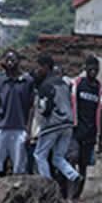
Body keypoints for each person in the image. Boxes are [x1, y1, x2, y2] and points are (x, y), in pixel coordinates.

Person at [31, 54, 80, 190]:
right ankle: (74, 175)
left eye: (39, 67)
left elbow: (45, 108)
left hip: (53, 124)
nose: (37, 70)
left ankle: (47, 185)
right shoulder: (63, 83)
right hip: (68, 124)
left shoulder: (45, 85)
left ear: (46, 67)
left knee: (39, 155)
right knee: (58, 157)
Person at [0, 50, 34, 179]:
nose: (10, 63)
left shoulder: (27, 81)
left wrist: (28, 129)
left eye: (13, 60)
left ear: (18, 61)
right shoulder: (0, 81)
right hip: (2, 127)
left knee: (19, 167)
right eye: (7, 60)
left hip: (19, 128)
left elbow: (32, 107)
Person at [71, 56, 102, 200]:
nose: (93, 71)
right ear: (85, 68)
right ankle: (68, 195)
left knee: (83, 167)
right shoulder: (78, 85)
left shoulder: (100, 90)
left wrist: (100, 138)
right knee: (71, 161)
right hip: (75, 132)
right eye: (90, 68)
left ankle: (76, 197)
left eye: (96, 69)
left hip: (90, 135)